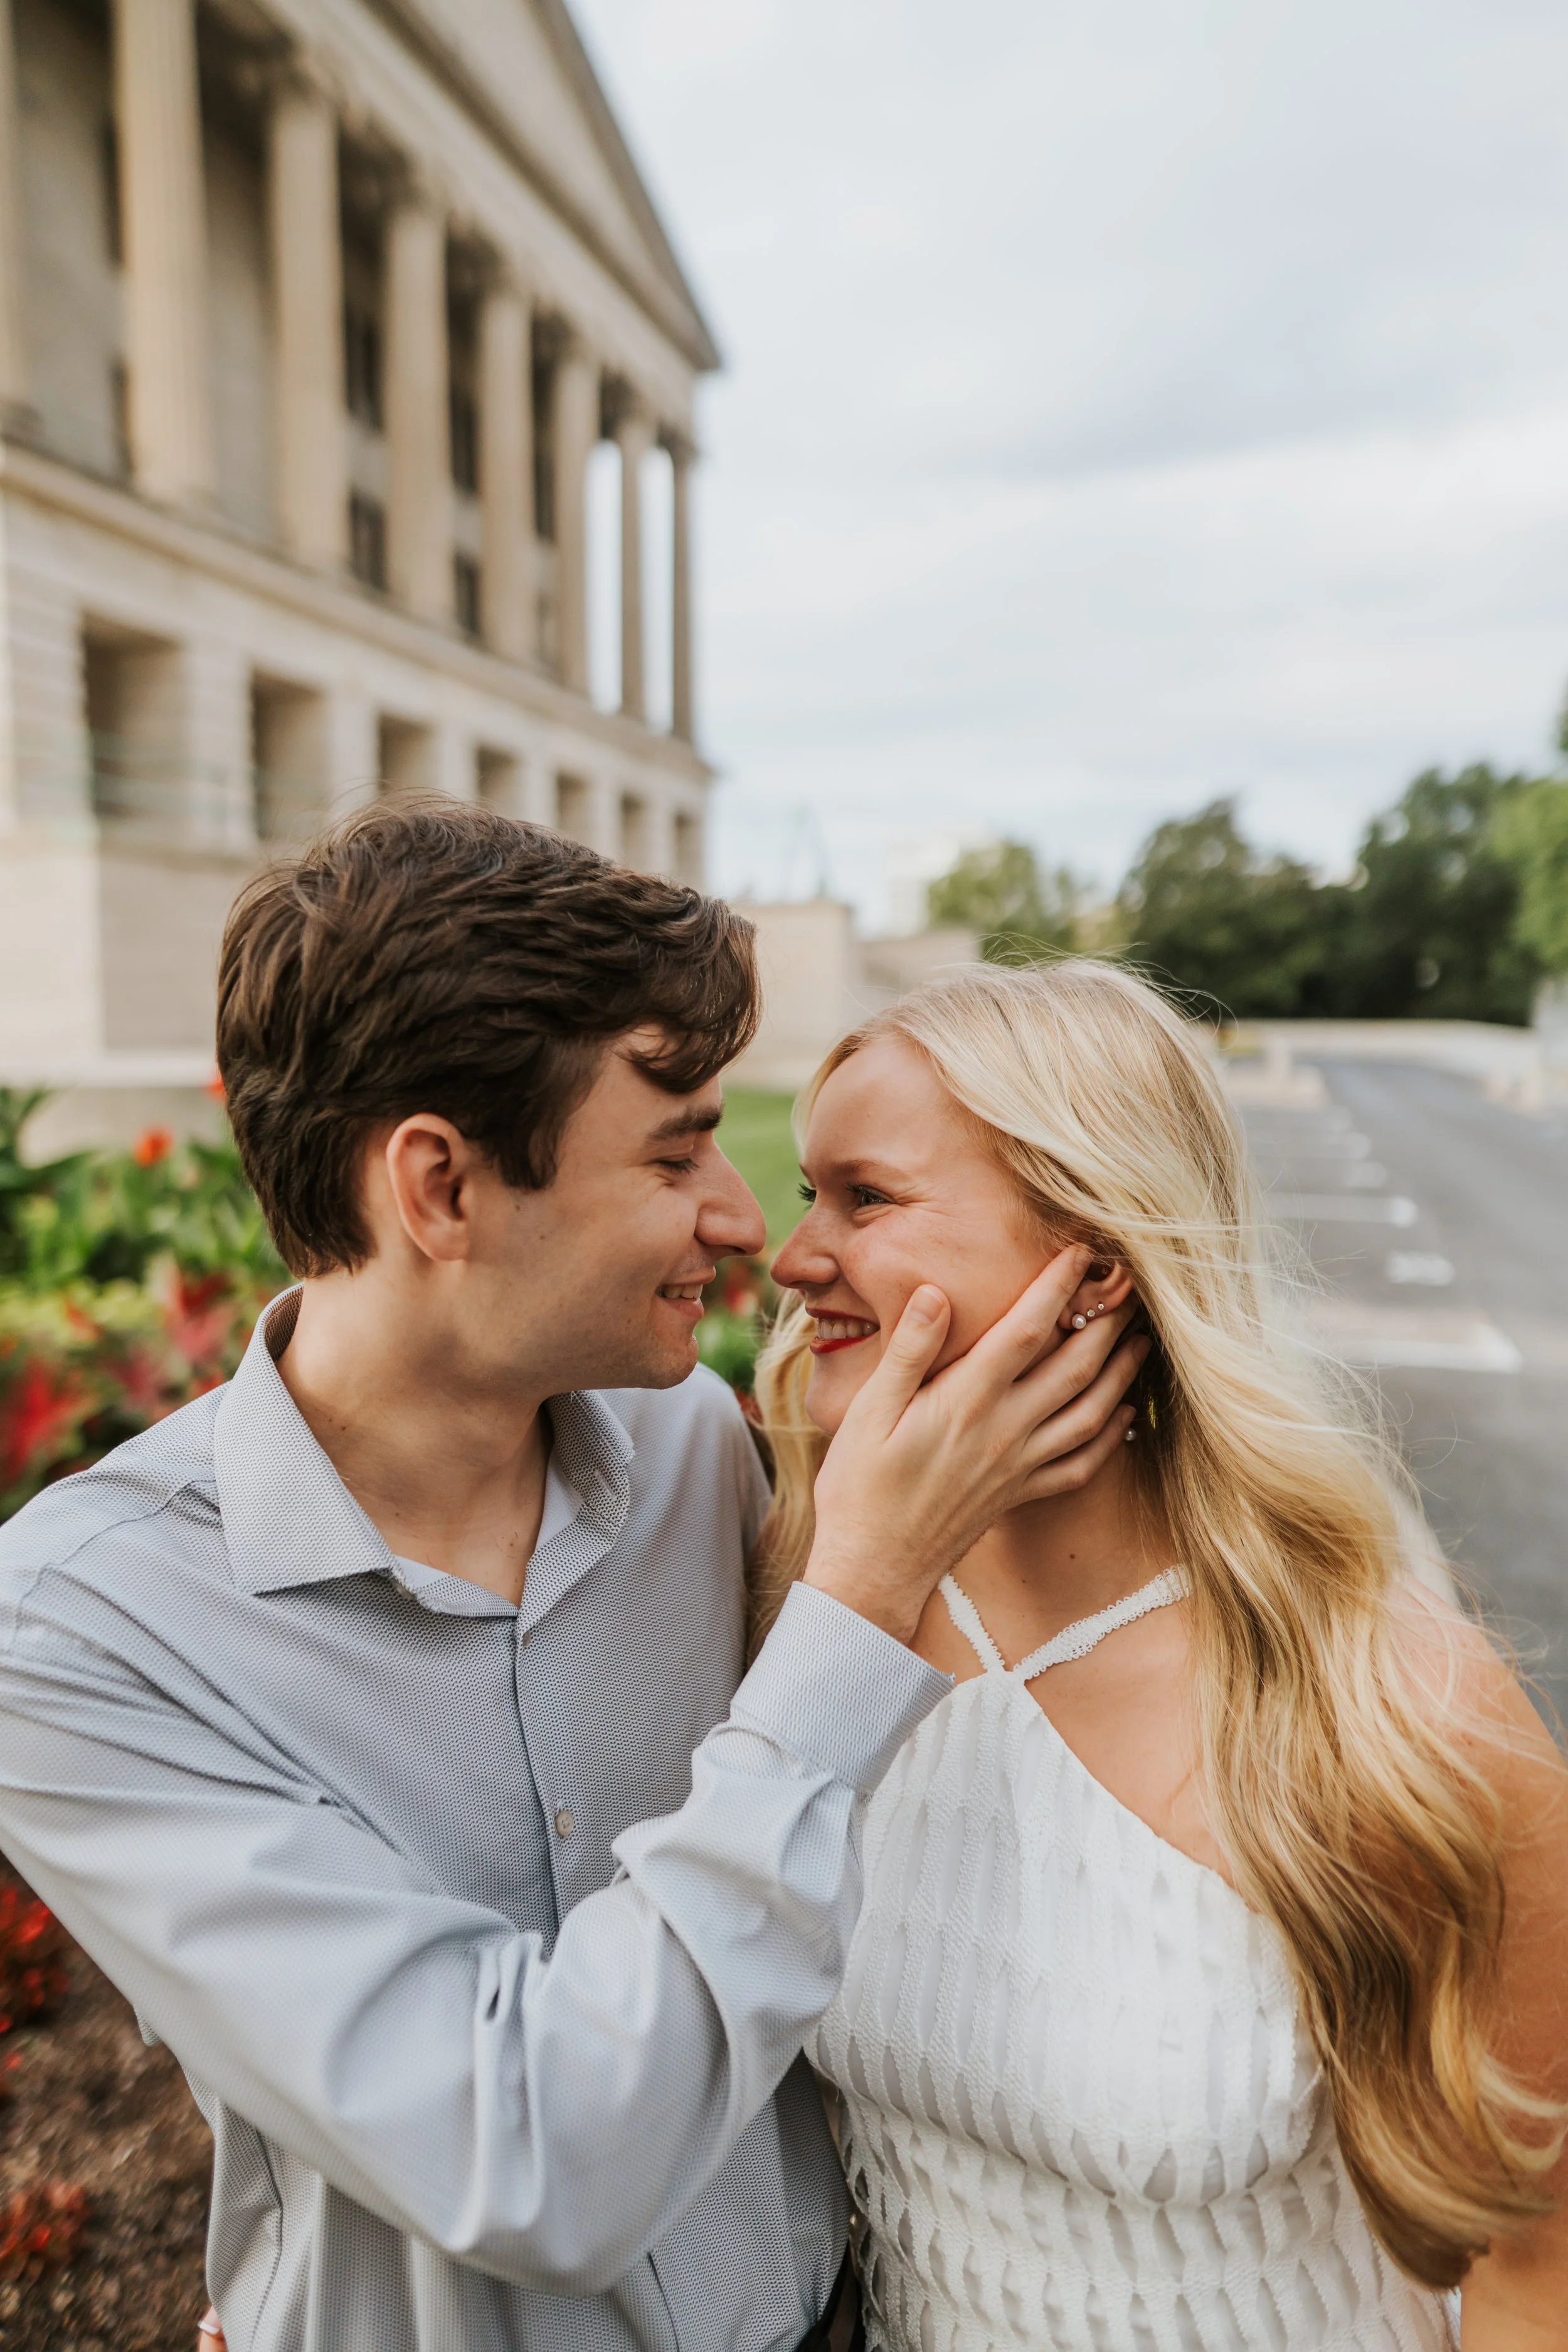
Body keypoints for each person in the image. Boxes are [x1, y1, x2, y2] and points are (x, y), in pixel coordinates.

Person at [0, 805, 1145, 2352]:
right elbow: (527, 2157)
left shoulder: (696, 1449)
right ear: (439, 1189)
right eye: (678, 1153)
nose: (743, 1224)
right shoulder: (84, 1634)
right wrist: (857, 1598)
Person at [755, 958, 1568, 2352]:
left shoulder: (1385, 1705)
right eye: (806, 1193)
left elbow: (1536, 2254)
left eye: (865, 1198)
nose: (790, 1257)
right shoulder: (800, 1599)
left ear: (1092, 1262)